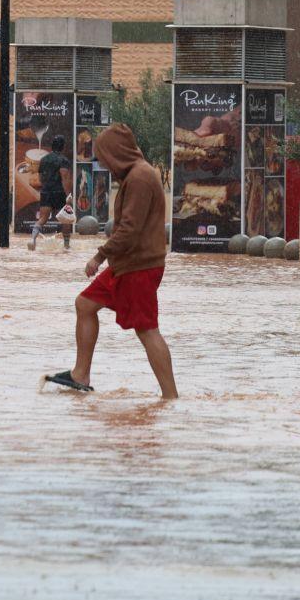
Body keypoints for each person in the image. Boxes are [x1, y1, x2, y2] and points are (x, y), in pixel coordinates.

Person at [48, 123, 178, 399]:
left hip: (139, 266)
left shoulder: (140, 178)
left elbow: (129, 229)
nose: (103, 163)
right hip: (127, 264)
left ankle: (170, 398)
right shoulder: (136, 174)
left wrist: (99, 256)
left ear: (116, 153)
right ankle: (80, 374)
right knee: (85, 304)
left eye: (104, 156)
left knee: (147, 329)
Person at [28, 134, 73, 251]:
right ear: (63, 147)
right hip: (59, 193)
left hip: (46, 192)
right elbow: (65, 178)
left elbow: (41, 178)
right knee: (65, 220)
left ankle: (32, 239)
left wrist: (46, 187)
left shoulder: (44, 160)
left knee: (43, 219)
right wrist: (69, 195)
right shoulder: (64, 160)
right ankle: (66, 246)